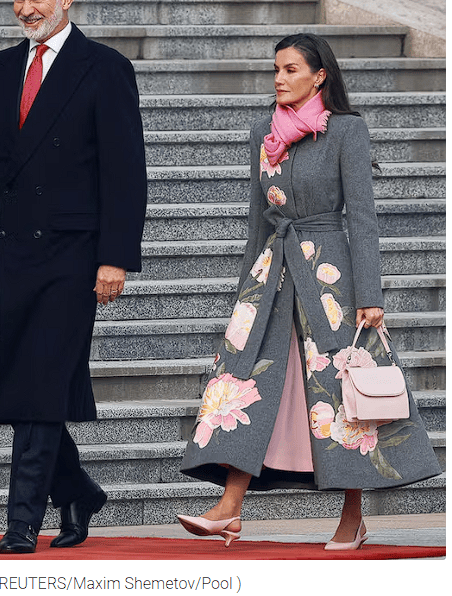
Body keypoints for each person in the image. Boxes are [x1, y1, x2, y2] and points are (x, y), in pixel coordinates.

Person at [178, 33, 441, 550]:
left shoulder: (347, 131)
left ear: (319, 76)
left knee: (342, 393)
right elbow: (258, 221)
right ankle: (230, 509)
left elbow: (361, 218)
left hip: (331, 280)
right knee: (247, 380)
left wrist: (371, 293)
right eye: (276, 69)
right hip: (271, 274)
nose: (279, 78)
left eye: (291, 69)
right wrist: (243, 298)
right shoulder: (262, 131)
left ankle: (353, 515)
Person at [0, 0, 147, 553]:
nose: (26, 9)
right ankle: (77, 489)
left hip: (72, 258)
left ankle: (21, 521)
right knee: (21, 383)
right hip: (3, 255)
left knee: (39, 384)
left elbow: (125, 171)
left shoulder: (104, 69)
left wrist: (116, 258)